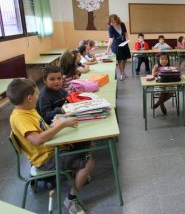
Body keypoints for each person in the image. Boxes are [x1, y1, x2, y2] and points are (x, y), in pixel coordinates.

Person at [7, 78, 95, 214]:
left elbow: (43, 128)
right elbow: (37, 140)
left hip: (52, 149)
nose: (38, 96)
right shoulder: (20, 117)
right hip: (45, 160)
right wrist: (62, 125)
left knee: (87, 142)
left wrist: (58, 124)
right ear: (30, 98)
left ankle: (78, 172)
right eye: (36, 94)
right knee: (89, 161)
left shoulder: (28, 109)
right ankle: (72, 199)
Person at [106, 14, 131, 81]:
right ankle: (122, 74)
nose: (113, 23)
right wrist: (107, 49)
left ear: (117, 19)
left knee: (125, 58)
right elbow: (111, 39)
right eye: (111, 21)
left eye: (114, 21)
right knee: (120, 59)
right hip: (116, 45)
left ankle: (123, 71)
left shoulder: (122, 24)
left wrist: (127, 39)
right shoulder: (111, 28)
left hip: (124, 43)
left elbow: (125, 33)